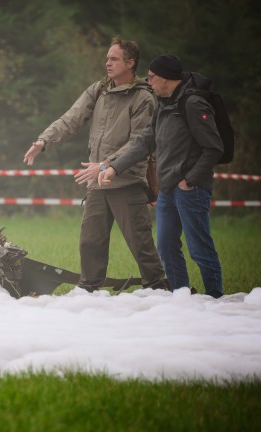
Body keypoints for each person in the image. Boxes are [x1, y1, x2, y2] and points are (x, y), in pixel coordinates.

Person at [23, 37, 166, 292]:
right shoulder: (99, 89)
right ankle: (88, 291)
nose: (107, 63)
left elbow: (139, 143)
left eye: (114, 59)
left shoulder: (143, 97)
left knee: (141, 245)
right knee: (90, 242)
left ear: (130, 63)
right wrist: (43, 140)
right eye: (107, 58)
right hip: (97, 183)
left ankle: (158, 291)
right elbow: (72, 118)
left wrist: (106, 164)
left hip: (127, 181)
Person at [98, 55, 224, 298]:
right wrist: (113, 167)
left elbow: (214, 147)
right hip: (167, 190)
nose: (149, 81)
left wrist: (190, 181)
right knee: (166, 247)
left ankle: (216, 298)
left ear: (167, 79)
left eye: (152, 77)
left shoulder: (193, 104)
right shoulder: (164, 104)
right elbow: (144, 142)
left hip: (190, 189)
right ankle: (179, 298)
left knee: (199, 248)